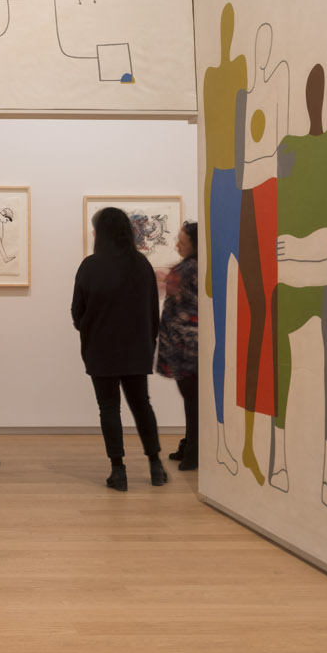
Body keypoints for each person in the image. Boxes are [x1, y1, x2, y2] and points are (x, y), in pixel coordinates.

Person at [72, 207, 167, 491]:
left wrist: (89, 330)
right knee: (142, 405)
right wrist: (147, 344)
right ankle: (156, 465)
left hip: (101, 349)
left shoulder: (90, 266)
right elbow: (152, 311)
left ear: (101, 233)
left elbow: (78, 312)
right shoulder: (141, 264)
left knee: (109, 407)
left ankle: (118, 470)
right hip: (137, 349)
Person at [156, 221, 200, 472]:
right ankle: (191, 444)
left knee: (193, 400)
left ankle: (194, 450)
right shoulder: (191, 267)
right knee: (191, 399)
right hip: (183, 347)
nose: (176, 245)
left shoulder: (191, 268)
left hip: (188, 349)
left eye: (181, 242)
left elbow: (174, 289)